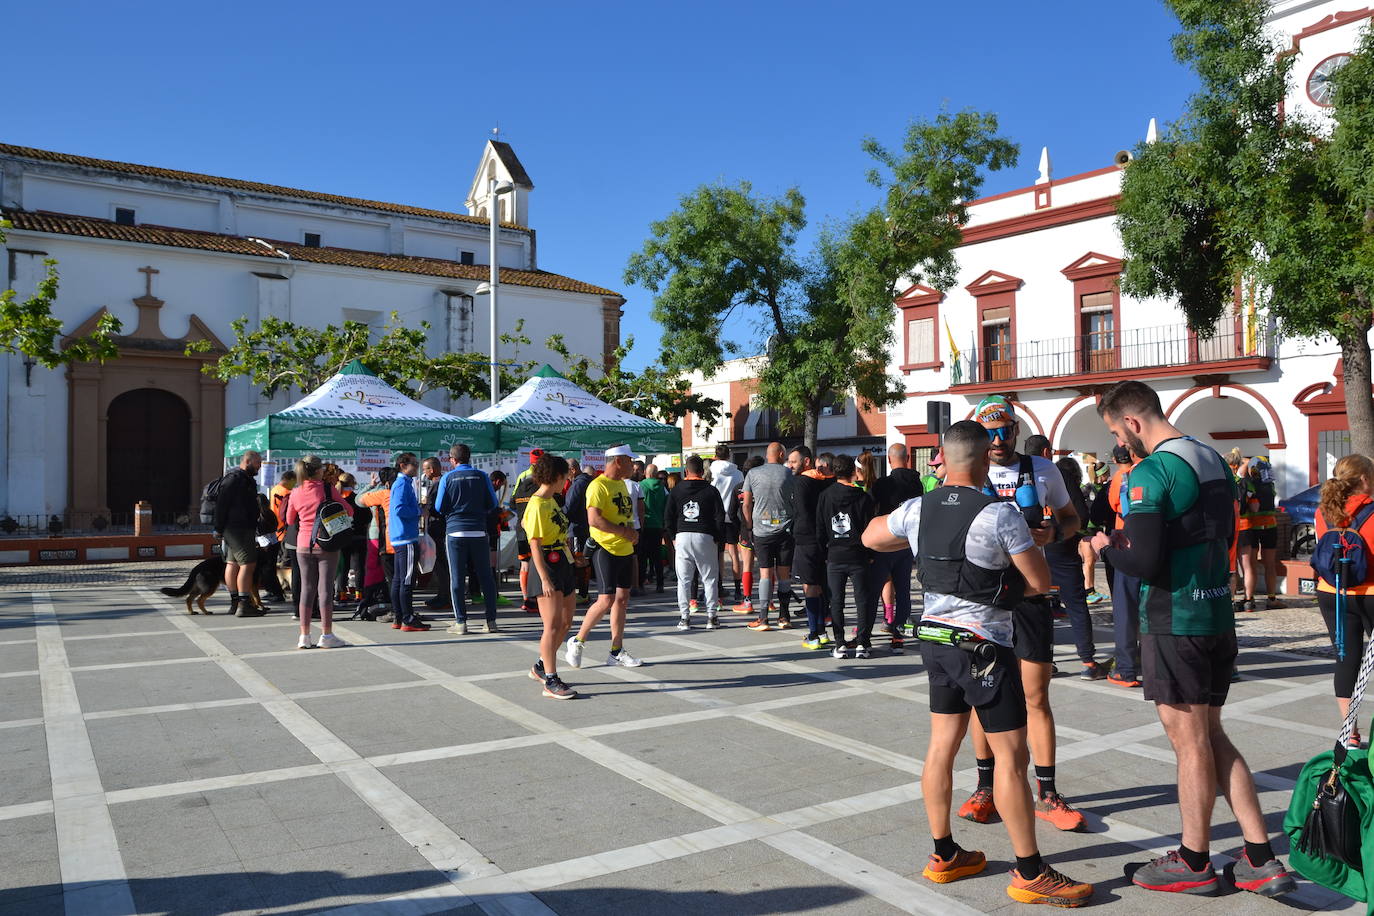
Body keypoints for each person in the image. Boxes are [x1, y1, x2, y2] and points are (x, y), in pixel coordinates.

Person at [862, 420, 1093, 906]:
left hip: (934, 640)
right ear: (986, 459)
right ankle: (1029, 872)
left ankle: (944, 853)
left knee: (941, 747)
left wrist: (915, 541)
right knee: (1012, 757)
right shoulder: (999, 515)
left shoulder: (917, 508)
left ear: (942, 460)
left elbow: (870, 537)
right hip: (984, 646)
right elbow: (1040, 583)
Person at [1090, 380, 1294, 897]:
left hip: (1175, 618)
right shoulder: (1212, 458)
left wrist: (1105, 546)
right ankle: (1260, 858)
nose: (1119, 442)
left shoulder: (1153, 469)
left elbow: (1143, 560)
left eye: (1116, 432)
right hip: (1216, 612)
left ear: (1132, 422)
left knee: (1190, 743)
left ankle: (1193, 859)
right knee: (1213, 735)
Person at [961, 396, 1087, 833]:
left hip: (1030, 597)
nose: (998, 441)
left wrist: (1054, 532)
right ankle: (985, 787)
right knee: (982, 695)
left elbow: (1072, 519)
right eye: (989, 433)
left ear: (1016, 430)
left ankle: (1047, 793)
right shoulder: (965, 472)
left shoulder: (1043, 470)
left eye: (1005, 431)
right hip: (983, 601)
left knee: (1035, 696)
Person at [1314, 453, 1374, 746]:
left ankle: (1350, 735)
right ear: (1364, 479)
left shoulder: (1323, 512)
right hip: (1371, 594)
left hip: (1331, 592)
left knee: (1345, 659)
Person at [565, 444, 643, 668]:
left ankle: (616, 651)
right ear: (618, 461)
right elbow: (594, 520)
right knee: (606, 599)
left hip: (625, 548)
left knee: (622, 599)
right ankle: (578, 641)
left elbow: (623, 515)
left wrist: (632, 533)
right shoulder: (598, 485)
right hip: (604, 548)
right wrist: (625, 532)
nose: (633, 466)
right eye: (630, 461)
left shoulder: (621, 484)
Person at [284, 454, 353, 648]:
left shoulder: (296, 491)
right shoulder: (327, 489)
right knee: (325, 590)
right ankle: (327, 635)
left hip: (303, 545)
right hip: (326, 544)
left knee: (306, 589)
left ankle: (304, 636)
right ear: (318, 471)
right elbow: (349, 511)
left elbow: (290, 520)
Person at [524, 453, 578, 699]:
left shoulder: (552, 500)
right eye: (565, 477)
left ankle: (541, 665)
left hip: (562, 561)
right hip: (546, 565)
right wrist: (544, 577)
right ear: (556, 476)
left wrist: (573, 556)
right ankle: (551, 679)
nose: (566, 481)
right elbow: (534, 543)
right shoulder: (536, 503)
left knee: (566, 622)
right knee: (552, 625)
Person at [435, 444, 501, 634]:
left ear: (453, 459)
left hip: (455, 532)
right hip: (479, 531)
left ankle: (461, 622)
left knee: (456, 578)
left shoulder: (447, 477)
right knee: (486, 577)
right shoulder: (482, 476)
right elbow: (493, 503)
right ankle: (491, 621)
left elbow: (439, 507)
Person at [817, 454, 878, 658]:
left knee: (836, 601)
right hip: (858, 554)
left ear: (834, 471)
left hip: (835, 553)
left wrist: (824, 552)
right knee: (862, 600)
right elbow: (870, 528)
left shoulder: (825, 496)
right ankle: (862, 643)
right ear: (853, 471)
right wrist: (870, 553)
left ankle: (840, 643)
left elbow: (820, 528)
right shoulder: (863, 497)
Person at [1048, 456, 1102, 680]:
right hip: (1062, 551)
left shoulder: (1026, 474)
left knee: (1040, 608)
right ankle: (1088, 662)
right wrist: (1068, 534)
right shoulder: (1062, 477)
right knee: (1077, 607)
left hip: (1033, 551)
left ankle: (1044, 661)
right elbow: (1082, 514)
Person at [1094, 445, 1142, 688]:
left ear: (1115, 459)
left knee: (1125, 609)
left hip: (1124, 540)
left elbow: (1111, 506)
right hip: (1152, 542)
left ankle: (1125, 669)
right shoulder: (1151, 471)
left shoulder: (1118, 480)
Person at [869, 443, 924, 653]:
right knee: (903, 590)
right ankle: (898, 635)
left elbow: (871, 509)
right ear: (908, 458)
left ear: (889, 459)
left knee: (874, 589)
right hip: (906, 542)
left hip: (885, 542)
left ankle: (865, 634)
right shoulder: (917, 483)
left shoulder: (882, 484)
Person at [741, 442, 796, 631]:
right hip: (785, 529)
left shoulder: (752, 473)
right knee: (784, 574)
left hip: (761, 530)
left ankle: (763, 617)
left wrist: (749, 526)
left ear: (767, 454)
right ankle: (784, 616)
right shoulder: (788, 473)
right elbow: (794, 500)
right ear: (781, 454)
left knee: (765, 573)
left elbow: (746, 504)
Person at [666, 454, 725, 630]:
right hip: (705, 535)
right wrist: (717, 537)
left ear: (686, 471)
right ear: (702, 471)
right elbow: (720, 516)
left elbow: (668, 516)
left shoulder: (676, 490)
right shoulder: (711, 490)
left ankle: (685, 618)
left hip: (682, 534)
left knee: (683, 580)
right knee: (709, 578)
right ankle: (711, 617)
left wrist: (673, 536)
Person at [788, 446, 835, 650]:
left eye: (794, 461)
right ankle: (822, 632)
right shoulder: (827, 481)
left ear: (806, 461)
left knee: (809, 587)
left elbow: (802, 512)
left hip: (806, 539)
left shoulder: (801, 482)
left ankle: (814, 634)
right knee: (821, 585)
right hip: (825, 540)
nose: (790, 465)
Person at [214, 450, 265, 617]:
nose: (259, 466)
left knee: (233, 563)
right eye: (258, 463)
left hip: (235, 528)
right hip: (239, 528)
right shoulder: (235, 479)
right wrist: (218, 527)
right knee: (248, 564)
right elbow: (222, 504)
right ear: (248, 461)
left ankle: (235, 602)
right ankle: (244, 604)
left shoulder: (242, 479)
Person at [385, 453, 429, 633]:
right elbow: (400, 509)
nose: (417, 467)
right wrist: (419, 511)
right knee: (407, 580)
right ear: (403, 465)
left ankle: (399, 616)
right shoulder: (402, 483)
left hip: (400, 536)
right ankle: (408, 618)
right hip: (406, 537)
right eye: (415, 464)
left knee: (399, 579)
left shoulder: (401, 483)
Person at [1238, 456, 1284, 611]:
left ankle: (1249, 599)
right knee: (1270, 564)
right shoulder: (1270, 484)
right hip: (1270, 526)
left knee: (1250, 565)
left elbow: (1252, 506)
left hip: (1252, 527)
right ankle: (1272, 598)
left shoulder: (1249, 483)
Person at [708, 444, 746, 603]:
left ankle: (719, 586)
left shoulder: (711, 471)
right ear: (729, 455)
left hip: (716, 517)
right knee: (734, 553)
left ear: (715, 456)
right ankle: (738, 589)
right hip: (733, 516)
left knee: (718, 554)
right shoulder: (738, 473)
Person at [511, 449, 544, 612]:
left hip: (521, 527)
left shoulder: (522, 476)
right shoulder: (544, 479)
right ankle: (538, 599)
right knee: (539, 564)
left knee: (525, 564)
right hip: (538, 528)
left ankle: (526, 599)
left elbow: (512, 502)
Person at [564, 458, 594, 604]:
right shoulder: (588, 481)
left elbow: (569, 507)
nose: (565, 476)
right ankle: (583, 592)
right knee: (582, 560)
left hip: (577, 528)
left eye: (566, 473)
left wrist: (557, 515)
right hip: (586, 527)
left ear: (573, 470)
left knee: (579, 560)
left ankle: (583, 593)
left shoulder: (578, 484)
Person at [639, 462, 668, 593]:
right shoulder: (662, 487)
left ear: (646, 473)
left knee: (642, 556)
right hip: (658, 524)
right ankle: (660, 584)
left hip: (644, 523)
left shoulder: (641, 485)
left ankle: (641, 584)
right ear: (655, 474)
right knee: (657, 556)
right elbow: (666, 505)